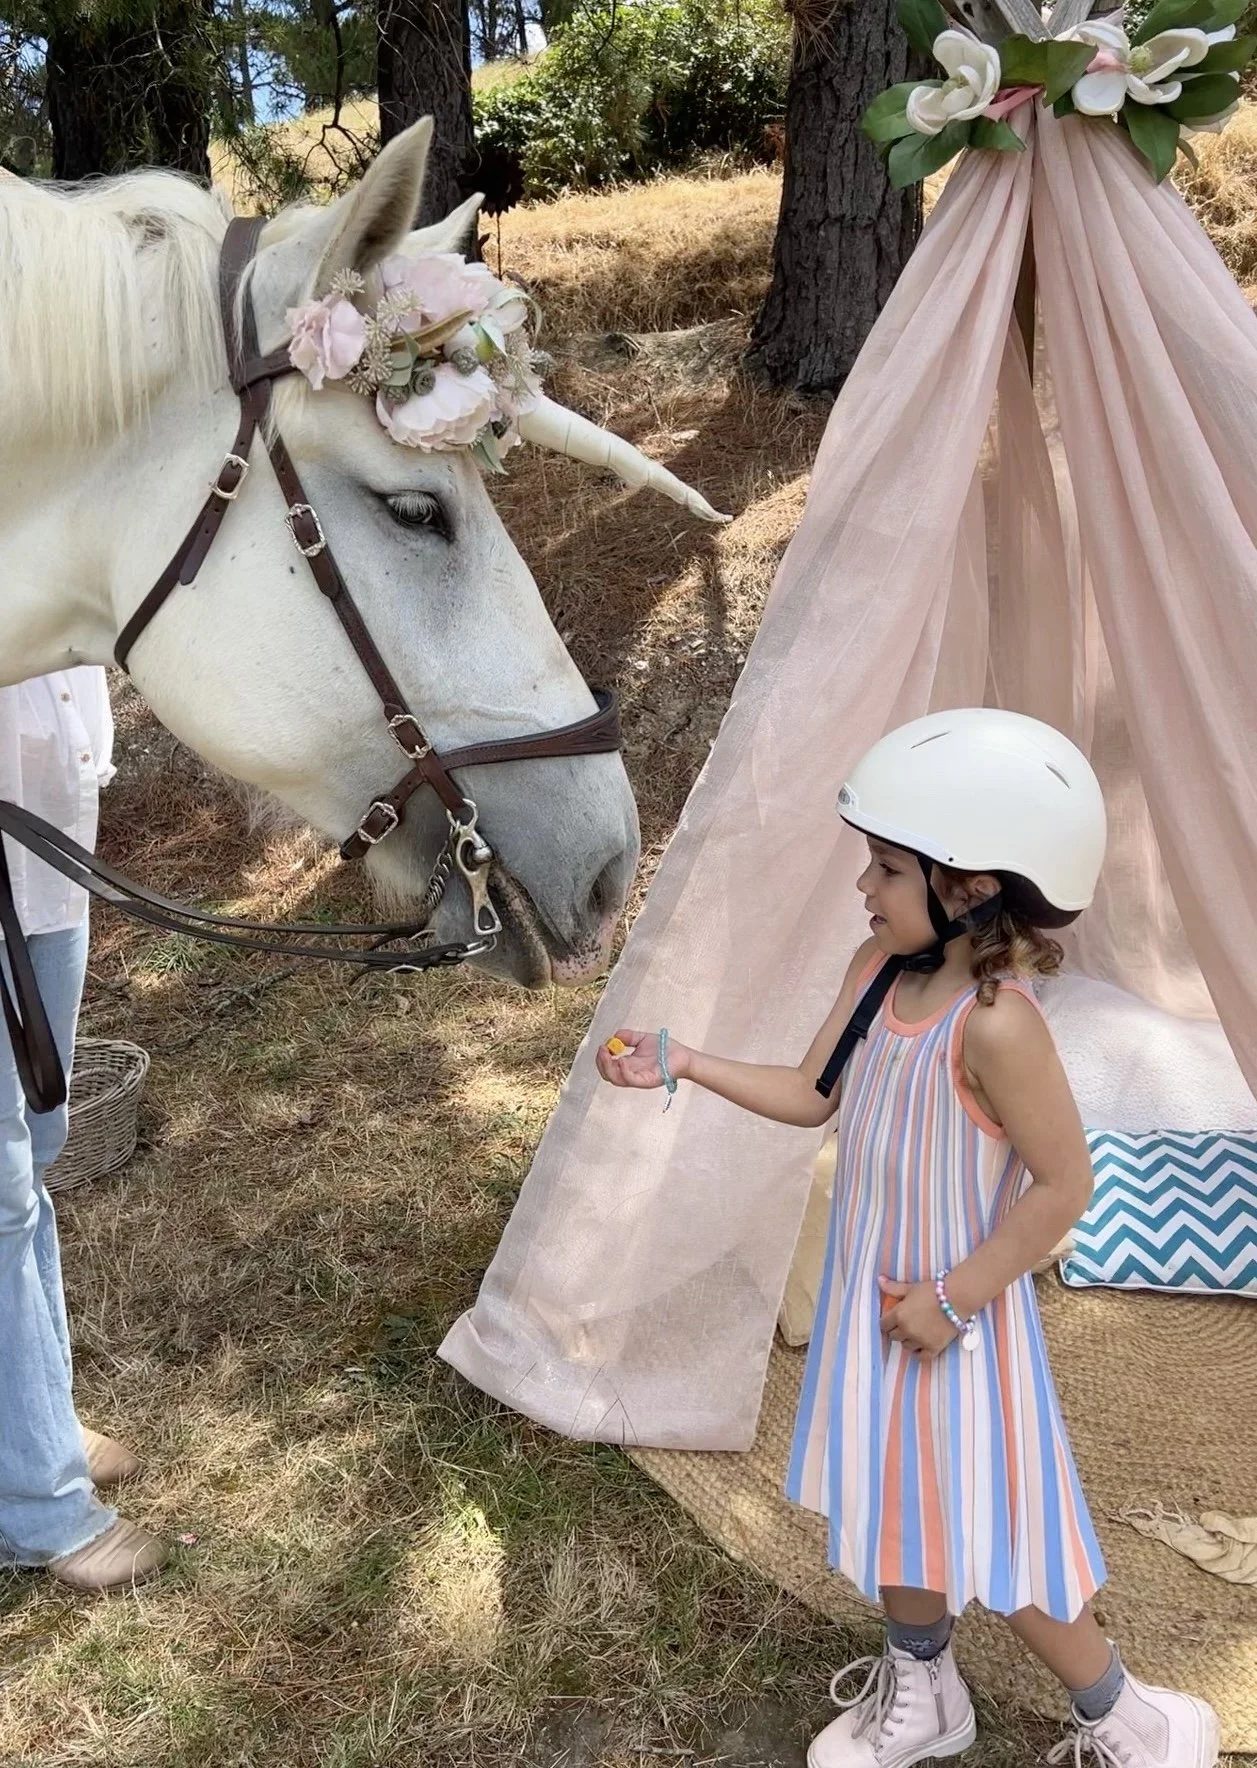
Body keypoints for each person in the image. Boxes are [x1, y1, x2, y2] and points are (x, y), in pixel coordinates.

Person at [596, 709, 1220, 1768]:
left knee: (996, 1526)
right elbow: (810, 1093)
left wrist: (957, 1295)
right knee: (894, 1498)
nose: (863, 887)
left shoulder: (998, 1024)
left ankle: (1133, 1718)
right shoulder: (877, 973)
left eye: (887, 868)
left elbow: (1064, 1184)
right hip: (877, 1300)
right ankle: (926, 1684)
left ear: (971, 888)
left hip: (956, 1319)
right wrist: (686, 1061)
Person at [0, 668, 167, 1592]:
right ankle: (39, 1506)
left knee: (39, 1147)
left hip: (46, 856)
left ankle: (35, 1426)